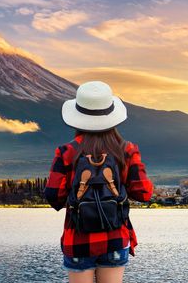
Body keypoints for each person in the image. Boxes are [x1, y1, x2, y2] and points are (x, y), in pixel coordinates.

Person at [44, 81, 153, 283]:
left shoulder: (66, 152)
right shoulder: (127, 150)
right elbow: (144, 193)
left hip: (77, 239)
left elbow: (53, 198)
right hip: (115, 238)